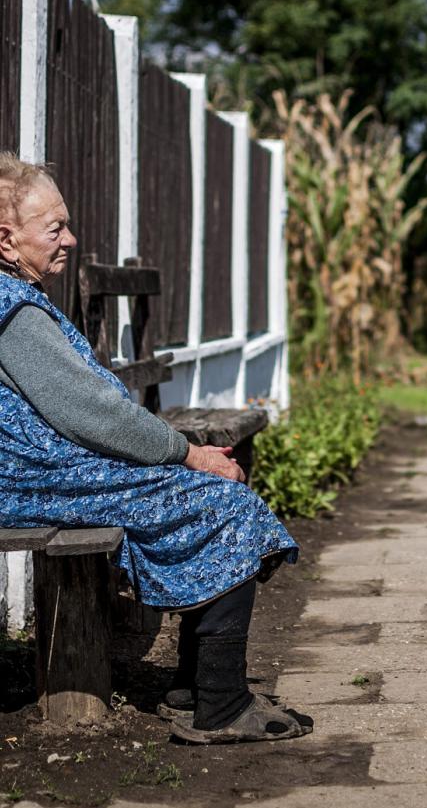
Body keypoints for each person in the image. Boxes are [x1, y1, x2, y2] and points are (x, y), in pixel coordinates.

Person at [0, 152, 312, 744]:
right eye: (55, 228)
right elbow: (90, 414)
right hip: (27, 477)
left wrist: (183, 453)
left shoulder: (14, 299)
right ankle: (219, 707)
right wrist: (187, 452)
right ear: (6, 240)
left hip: (36, 469)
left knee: (213, 492)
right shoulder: (12, 312)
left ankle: (194, 686)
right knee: (225, 506)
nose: (71, 238)